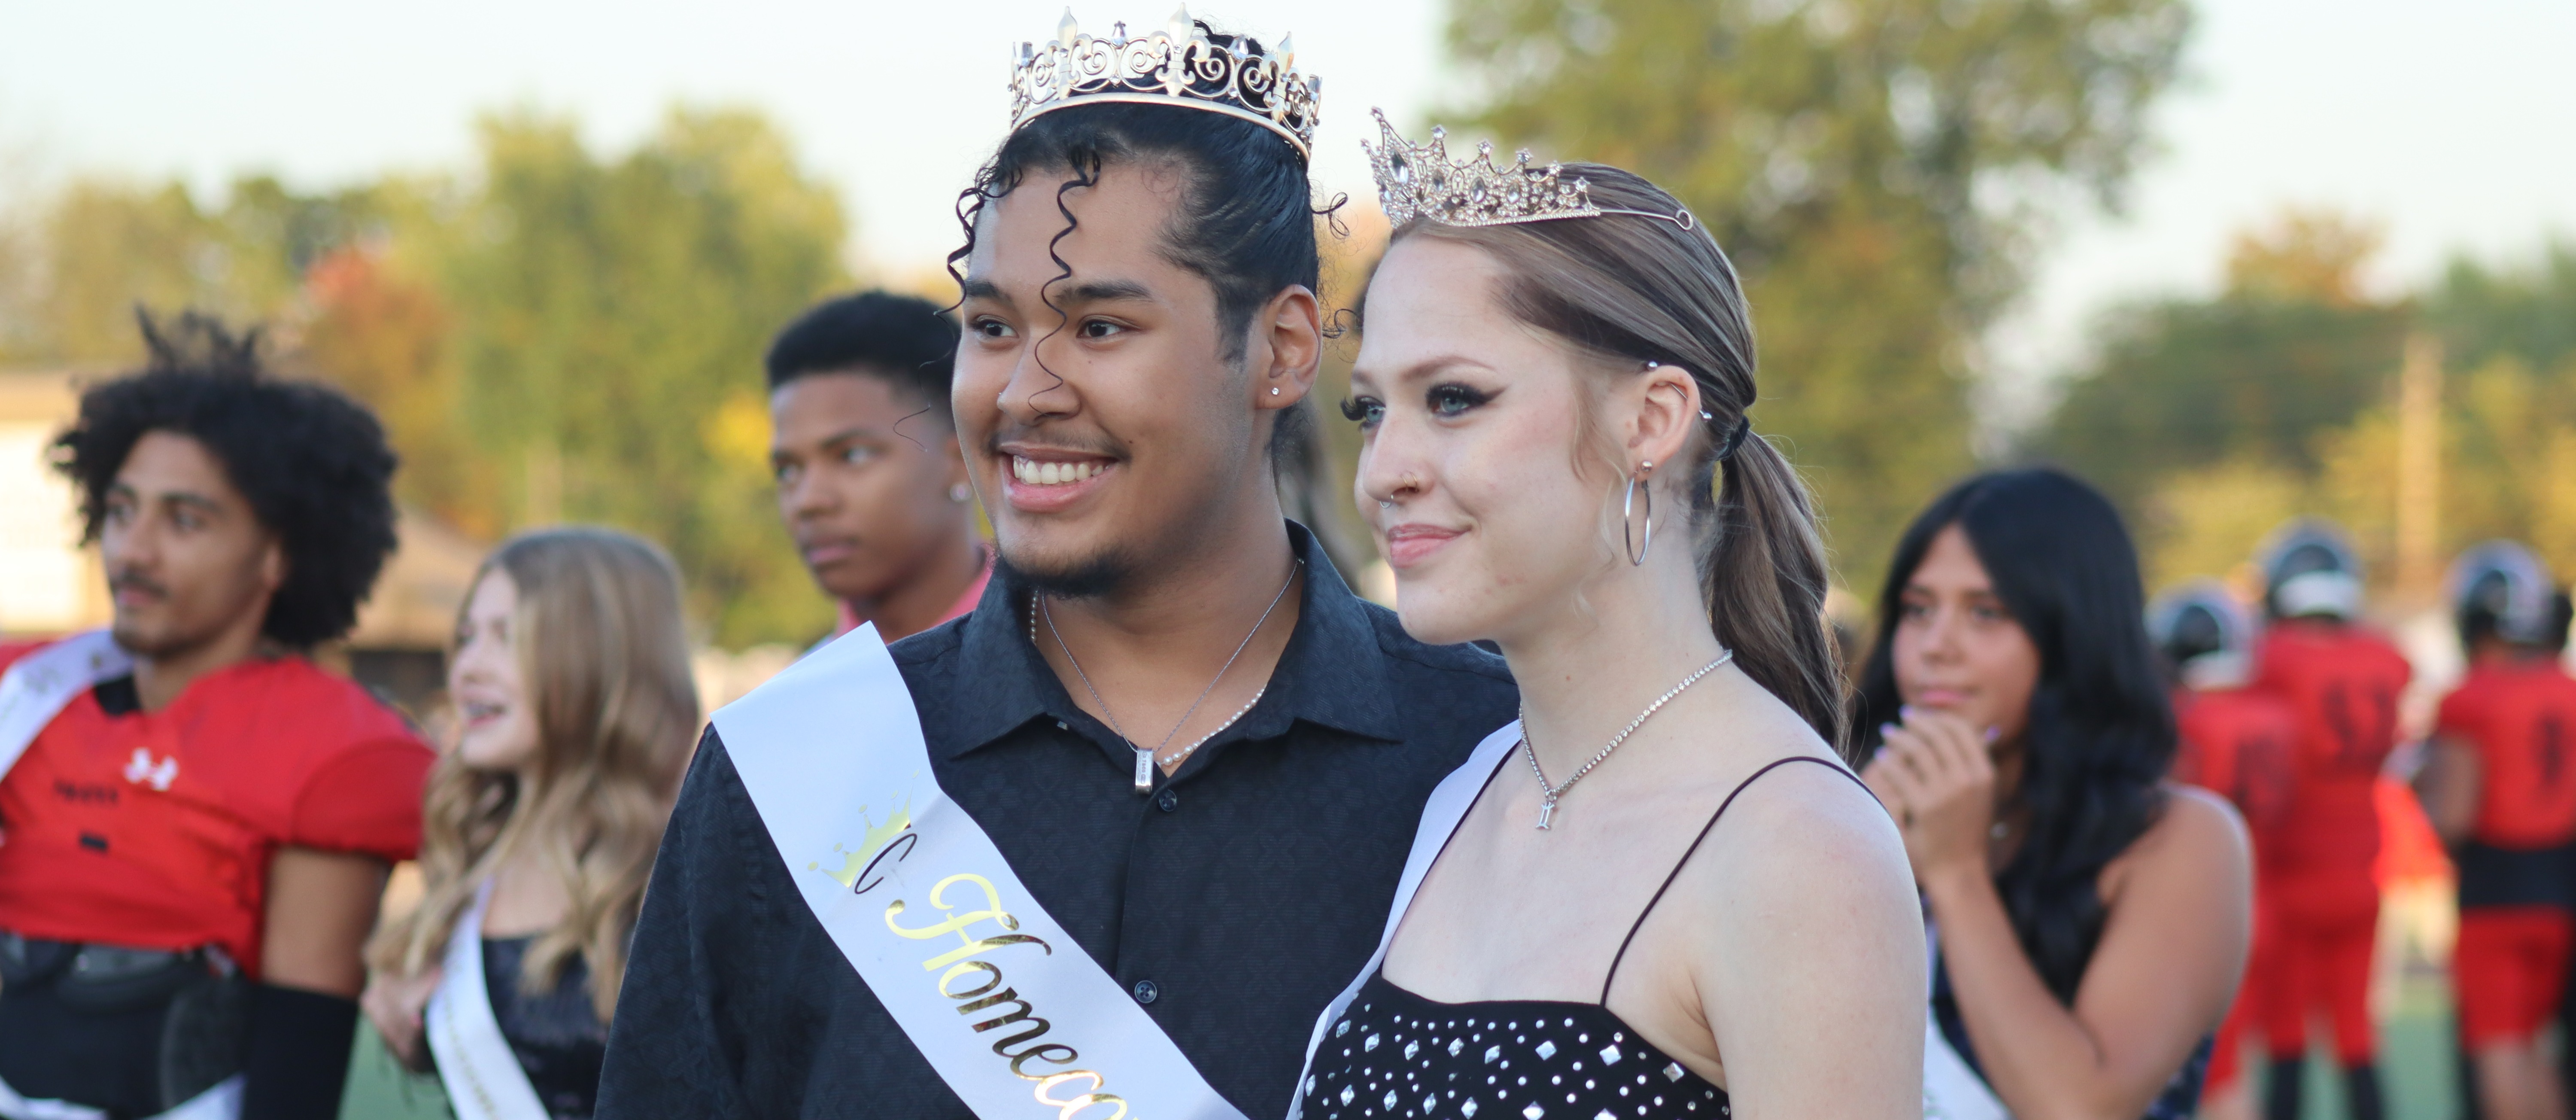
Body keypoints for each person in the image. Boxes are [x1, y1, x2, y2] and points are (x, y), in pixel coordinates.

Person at [595, 15, 1517, 1117]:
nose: (1023, 390)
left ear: (1279, 350)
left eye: (1100, 329)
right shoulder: (799, 767)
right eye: (990, 326)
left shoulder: (1490, 765)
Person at [1293, 116, 1923, 1120]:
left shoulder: (1798, 851)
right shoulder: (1467, 792)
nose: (1386, 471)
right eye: (1370, 410)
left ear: (1652, 421)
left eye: (1453, 398)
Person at [0, 313, 430, 1120]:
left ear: (278, 554)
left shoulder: (327, 748)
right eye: (122, 511)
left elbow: (296, 1069)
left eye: (185, 520)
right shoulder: (31, 693)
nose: (133, 550)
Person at [1856, 468, 2254, 1120]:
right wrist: (1857, 855)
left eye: (1987, 613)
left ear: (2074, 634)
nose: (1937, 647)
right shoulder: (1857, 801)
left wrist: (1957, 876)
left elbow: (2078, 1107)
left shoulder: (2180, 839)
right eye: (1919, 609)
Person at [360, 528, 699, 1120]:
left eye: (505, 639)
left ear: (603, 654)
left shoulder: (688, 871)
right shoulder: (473, 858)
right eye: (466, 638)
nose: (466, 669)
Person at [2242, 519, 2412, 1120]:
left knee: (2286, 1034)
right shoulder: (2387, 657)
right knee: (2356, 1033)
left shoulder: (2272, 660)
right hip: (2363, 868)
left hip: (2292, 872)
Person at [2415, 542, 2576, 1120]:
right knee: (2538, 1050)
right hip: (2561, 886)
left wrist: (2424, 797)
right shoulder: (2567, 688)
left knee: (2499, 1046)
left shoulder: (2470, 699)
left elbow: (2454, 815)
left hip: (2496, 889)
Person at [2148, 581, 2297, 1120]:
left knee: (2219, 1078)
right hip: (2262, 898)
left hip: (2206, 908)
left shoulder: (2184, 721)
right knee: (2236, 1065)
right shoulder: (2276, 714)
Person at [764, 291, 991, 643]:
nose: (808, 502)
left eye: (852, 456)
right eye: (788, 471)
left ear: (962, 459)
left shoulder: (1075, 662)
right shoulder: (803, 693)